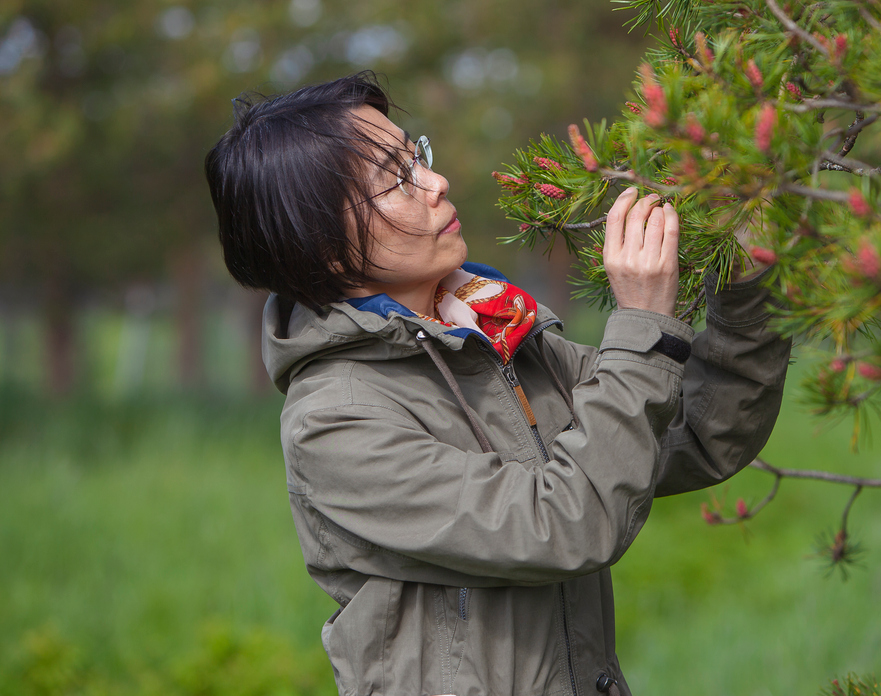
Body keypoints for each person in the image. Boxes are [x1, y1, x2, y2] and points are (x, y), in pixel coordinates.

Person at [205, 72, 791, 696]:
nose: (436, 183)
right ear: (322, 248)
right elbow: (563, 527)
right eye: (397, 180)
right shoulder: (336, 421)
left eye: (417, 156)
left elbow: (699, 431)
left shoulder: (496, 339)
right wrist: (644, 323)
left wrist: (747, 282)